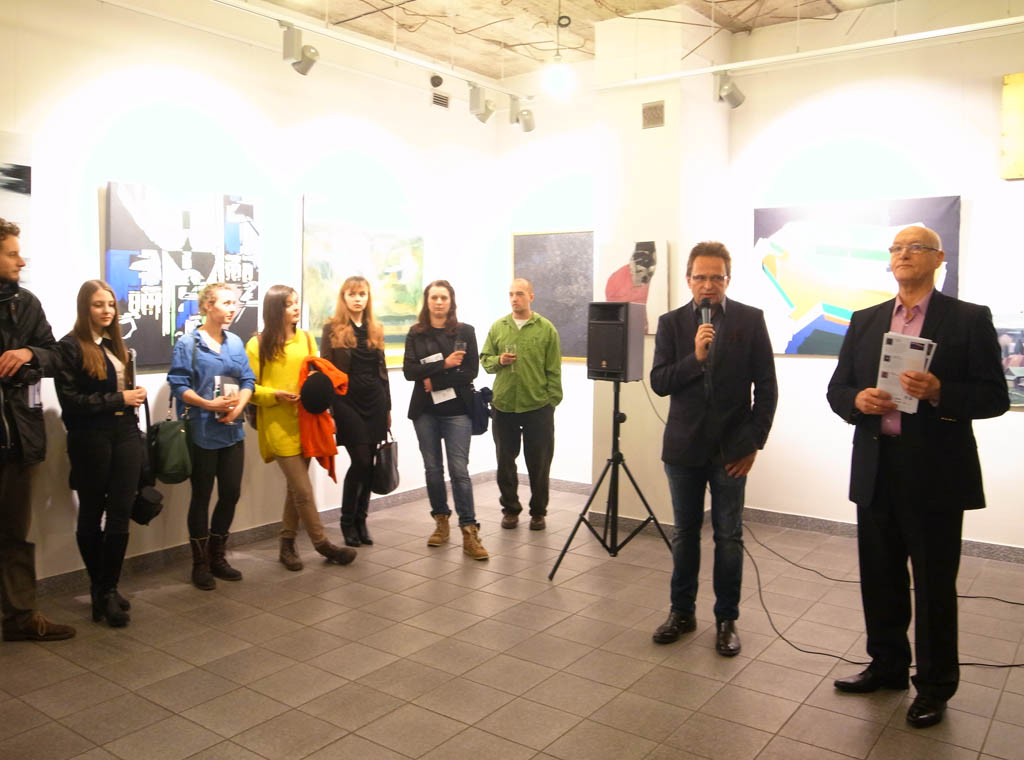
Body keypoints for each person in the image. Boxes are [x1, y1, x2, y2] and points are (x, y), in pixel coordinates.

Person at [827, 226, 1008, 728]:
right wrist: (857, 400)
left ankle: (934, 686)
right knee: (879, 579)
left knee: (933, 586)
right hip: (876, 468)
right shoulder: (865, 320)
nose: (903, 254)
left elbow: (995, 397)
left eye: (915, 247)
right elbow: (838, 389)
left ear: (938, 258)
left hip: (935, 474)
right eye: (896, 248)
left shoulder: (967, 318)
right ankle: (887, 666)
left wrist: (939, 391)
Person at [649, 241, 777, 657]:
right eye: (700, 277)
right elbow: (659, 381)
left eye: (716, 277)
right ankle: (681, 612)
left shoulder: (749, 320)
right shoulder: (671, 324)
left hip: (731, 451)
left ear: (728, 279)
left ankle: (726, 619)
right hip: (683, 449)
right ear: (688, 280)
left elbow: (767, 388)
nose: (708, 285)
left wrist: (753, 443)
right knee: (685, 534)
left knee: (728, 536)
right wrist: (696, 357)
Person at [0, 217, 76, 641]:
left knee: (14, 533)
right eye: (12, 253)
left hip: (16, 440)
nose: (21, 261)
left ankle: (21, 617)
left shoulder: (24, 303)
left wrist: (28, 353)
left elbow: (56, 355)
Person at [54, 281, 145, 627]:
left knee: (120, 512)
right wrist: (119, 398)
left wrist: (132, 394)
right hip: (90, 437)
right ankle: (102, 590)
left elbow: (118, 388)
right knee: (92, 511)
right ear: (84, 308)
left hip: (125, 432)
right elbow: (72, 402)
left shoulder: (115, 344)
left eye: (110, 304)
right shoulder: (69, 346)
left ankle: (107, 589)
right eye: (98, 305)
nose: (106, 310)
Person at [246, 284, 356, 570]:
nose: (296, 307)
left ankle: (286, 544)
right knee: (303, 491)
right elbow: (250, 388)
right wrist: (276, 395)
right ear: (274, 309)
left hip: (305, 422)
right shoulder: (257, 345)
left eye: (296, 302)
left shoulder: (306, 339)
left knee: (295, 490)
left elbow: (314, 376)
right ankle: (322, 544)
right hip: (276, 424)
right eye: (288, 304)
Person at [167, 283, 255, 590]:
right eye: (226, 302)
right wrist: (208, 404)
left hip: (232, 429)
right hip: (202, 430)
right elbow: (178, 384)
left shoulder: (235, 342)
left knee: (231, 493)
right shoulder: (188, 343)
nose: (233, 308)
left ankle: (218, 556)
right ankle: (200, 563)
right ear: (207, 305)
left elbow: (247, 380)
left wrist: (238, 407)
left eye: (235, 303)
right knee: (201, 496)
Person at [403, 280, 488, 560]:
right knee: (432, 469)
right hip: (425, 412)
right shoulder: (416, 333)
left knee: (459, 471)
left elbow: (471, 371)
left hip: (457, 411)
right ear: (427, 301)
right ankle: (441, 522)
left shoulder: (465, 331)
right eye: (434, 298)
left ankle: (469, 530)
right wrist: (446, 364)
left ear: (451, 301)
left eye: (443, 297)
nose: (439, 302)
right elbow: (409, 371)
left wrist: (436, 380)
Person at [480, 278, 562, 531]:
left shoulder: (546, 329)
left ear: (531, 297)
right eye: (511, 294)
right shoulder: (499, 327)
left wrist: (552, 401)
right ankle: (510, 510)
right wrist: (499, 360)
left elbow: (553, 369)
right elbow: (485, 360)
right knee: (505, 462)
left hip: (537, 405)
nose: (514, 299)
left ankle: (538, 512)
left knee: (539, 463)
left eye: (520, 294)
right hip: (504, 405)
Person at [320, 276, 391, 547]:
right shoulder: (332, 328)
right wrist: (329, 410)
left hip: (375, 401)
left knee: (369, 465)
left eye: (362, 294)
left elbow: (382, 371)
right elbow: (325, 370)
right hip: (346, 402)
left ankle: (362, 520)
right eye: (352, 294)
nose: (358, 299)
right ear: (344, 297)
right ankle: (347, 521)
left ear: (368, 297)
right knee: (360, 461)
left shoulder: (376, 328)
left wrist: (388, 407)